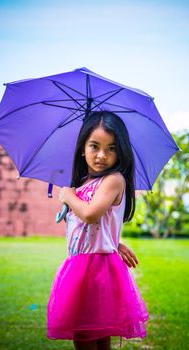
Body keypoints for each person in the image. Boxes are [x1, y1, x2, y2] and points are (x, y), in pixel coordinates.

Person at [47, 111, 149, 350]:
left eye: (111, 148)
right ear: (83, 148)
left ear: (121, 152)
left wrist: (68, 195)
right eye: (94, 146)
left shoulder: (113, 180)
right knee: (97, 333)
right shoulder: (84, 182)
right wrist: (115, 241)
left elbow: (91, 214)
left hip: (95, 270)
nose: (102, 155)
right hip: (82, 264)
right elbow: (95, 225)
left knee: (85, 335)